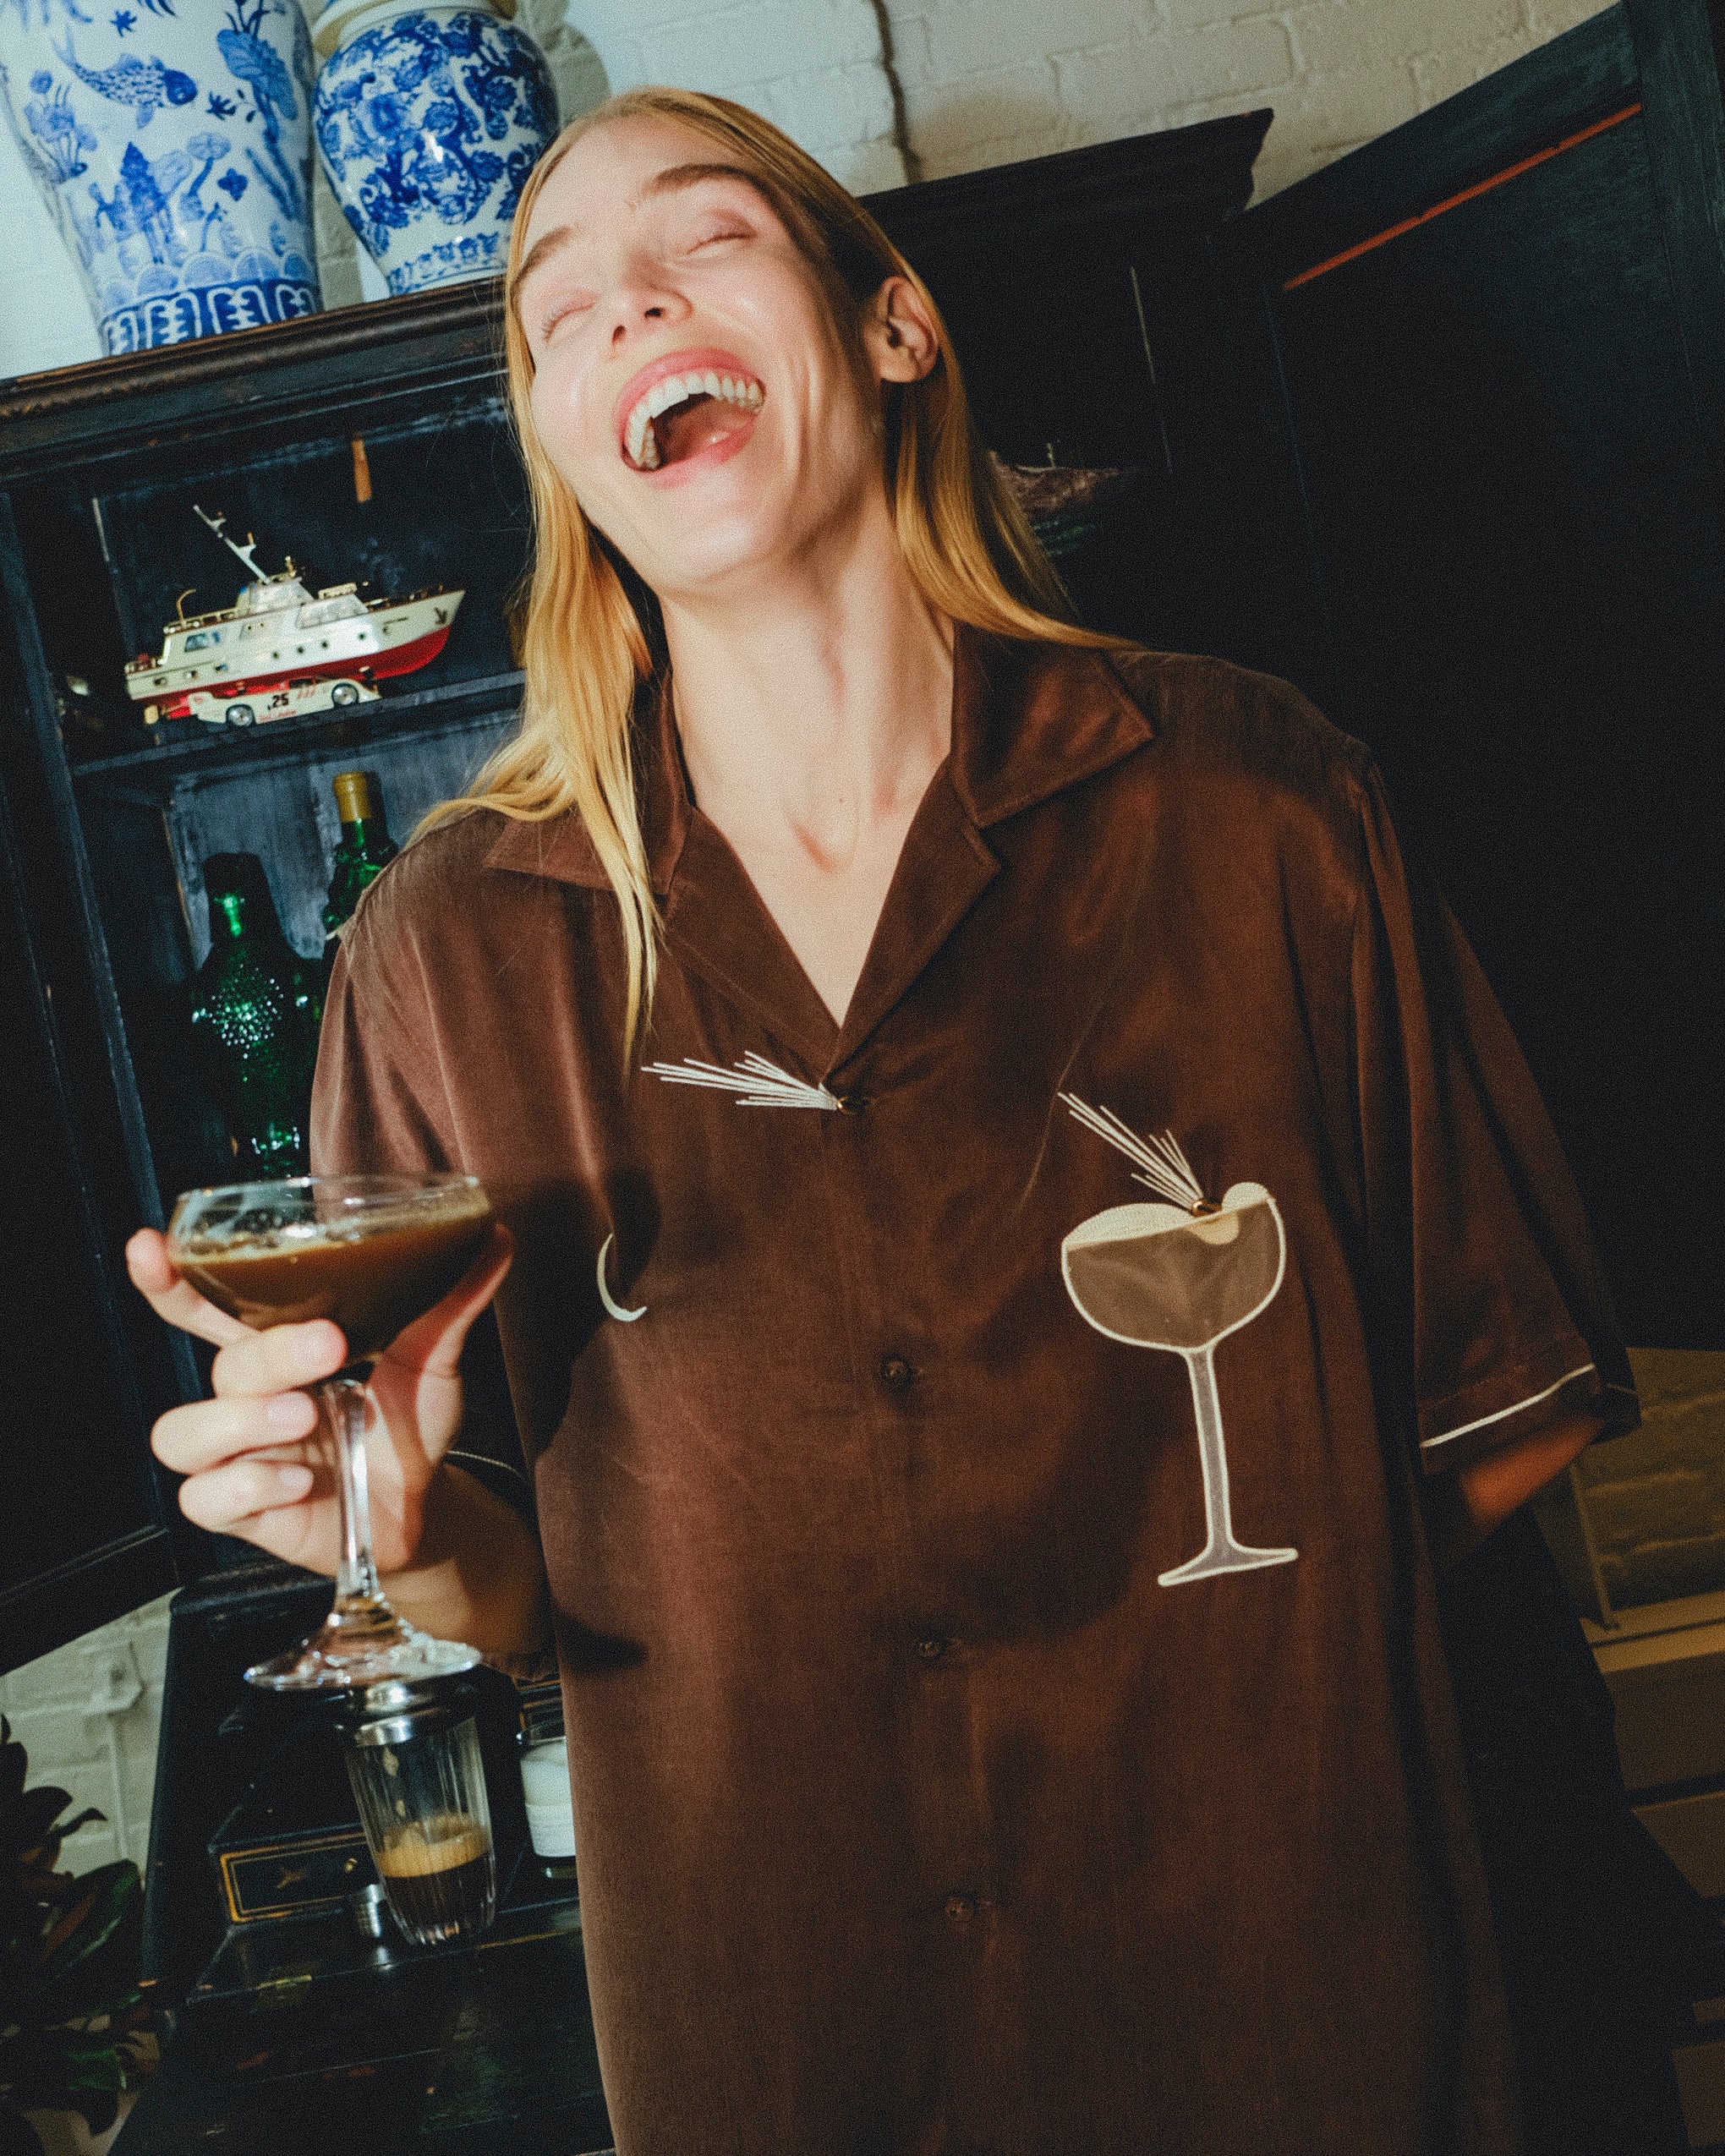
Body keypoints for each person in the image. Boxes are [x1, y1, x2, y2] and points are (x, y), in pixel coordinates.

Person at [129, 87, 1662, 2156]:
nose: (627, 305)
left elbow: (1513, 1403)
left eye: (703, 240)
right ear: (564, 456)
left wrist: (1204, 1687)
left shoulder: (1260, 801)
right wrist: (386, 1534)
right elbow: (494, 1570)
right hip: (792, 2046)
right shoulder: (447, 953)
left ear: (891, 328)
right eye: (556, 310)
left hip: (1303, 2015)